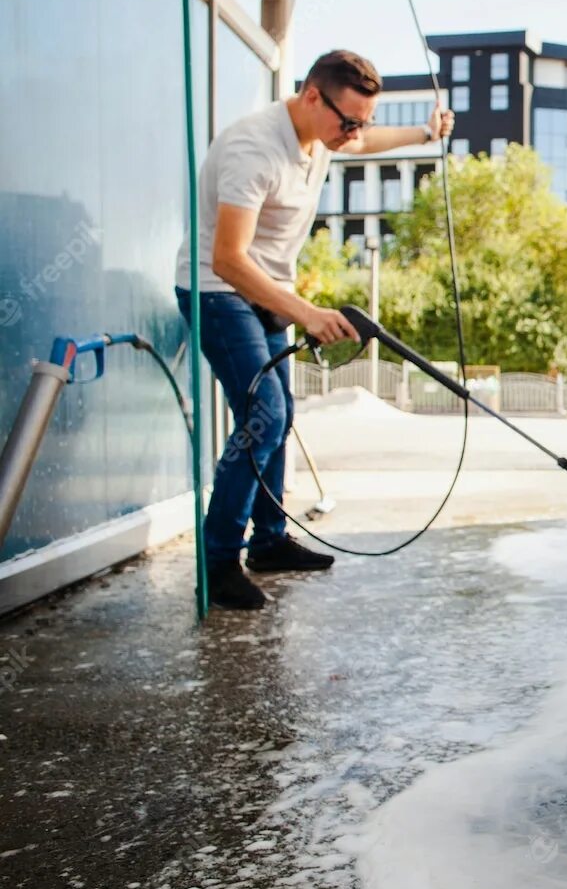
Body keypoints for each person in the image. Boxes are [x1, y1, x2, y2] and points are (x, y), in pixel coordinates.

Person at [174, 49, 454, 610]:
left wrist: (425, 132)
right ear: (309, 96)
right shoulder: (253, 147)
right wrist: (306, 312)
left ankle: (270, 543)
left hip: (267, 291)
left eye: (360, 122)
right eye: (346, 121)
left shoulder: (321, 136)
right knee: (264, 415)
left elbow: (366, 142)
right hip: (216, 288)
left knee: (280, 414)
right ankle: (219, 560)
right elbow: (228, 259)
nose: (353, 134)